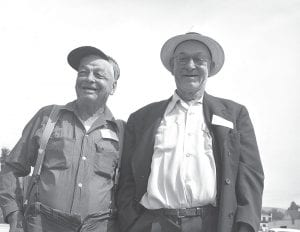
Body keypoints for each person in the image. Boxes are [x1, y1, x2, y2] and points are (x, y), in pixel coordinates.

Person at [117, 32, 264, 232]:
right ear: (172, 67)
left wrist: (245, 226)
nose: (190, 65)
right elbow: (126, 179)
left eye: (199, 59)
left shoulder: (235, 115)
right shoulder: (141, 118)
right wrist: (132, 223)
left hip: (211, 224)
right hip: (153, 224)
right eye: (182, 59)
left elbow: (251, 175)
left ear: (210, 67)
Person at [0, 46, 123, 232]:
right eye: (83, 72)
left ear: (113, 86)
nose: (89, 78)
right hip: (43, 224)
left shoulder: (122, 131)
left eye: (99, 75)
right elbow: (12, 168)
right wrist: (13, 213)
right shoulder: (48, 117)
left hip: (98, 227)